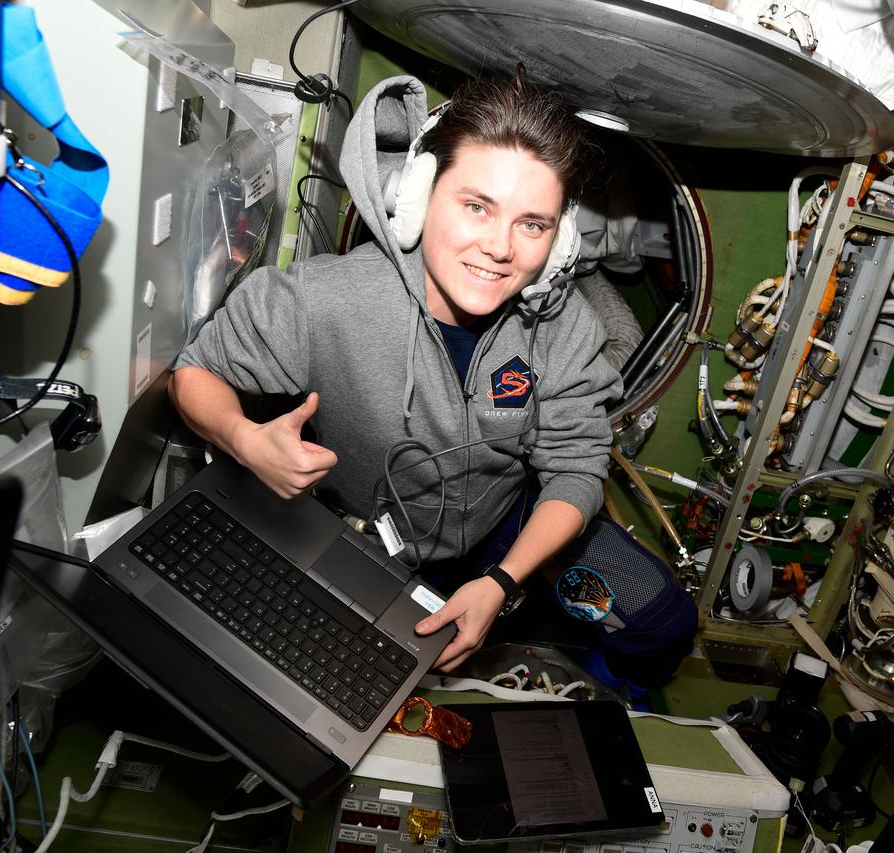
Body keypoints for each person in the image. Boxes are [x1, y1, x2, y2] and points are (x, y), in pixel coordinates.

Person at [171, 72, 697, 694]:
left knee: (664, 624)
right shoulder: (326, 300)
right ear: (419, 195)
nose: (499, 248)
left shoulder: (566, 330)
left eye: (533, 224)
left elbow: (577, 472)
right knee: (342, 688)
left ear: (559, 243)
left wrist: (503, 582)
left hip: (507, 528)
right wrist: (245, 439)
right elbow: (194, 372)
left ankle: (594, 703)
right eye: (477, 207)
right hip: (370, 539)